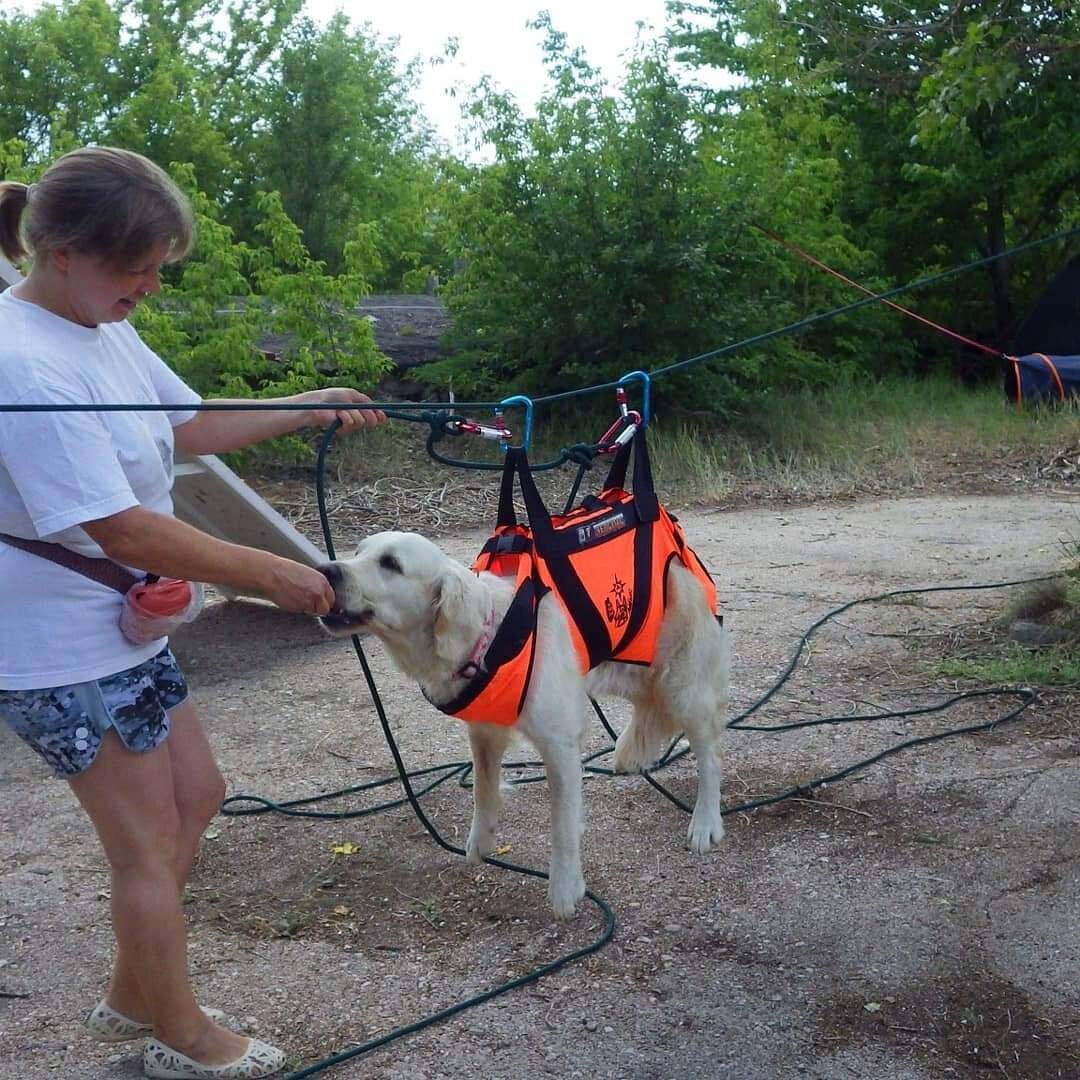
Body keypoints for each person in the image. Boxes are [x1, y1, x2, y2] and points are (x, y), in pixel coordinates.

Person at [0, 147, 385, 1079]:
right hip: (58, 644)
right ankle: (181, 1034)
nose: (149, 285)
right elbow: (120, 524)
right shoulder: (23, 363)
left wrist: (305, 406)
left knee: (197, 795)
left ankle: (136, 992)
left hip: (124, 622)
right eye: (133, 266)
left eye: (157, 266)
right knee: (144, 843)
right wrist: (272, 572)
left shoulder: (101, 323)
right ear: (58, 251)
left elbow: (186, 425)